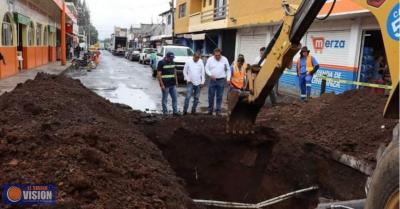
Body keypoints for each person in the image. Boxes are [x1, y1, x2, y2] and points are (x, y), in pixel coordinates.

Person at [205, 48, 230, 116]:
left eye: (218, 55)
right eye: (216, 55)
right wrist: (210, 75)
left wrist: (228, 78)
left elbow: (228, 69)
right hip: (212, 80)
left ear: (220, 54)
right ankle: (210, 110)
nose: (217, 57)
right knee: (211, 96)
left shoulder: (225, 59)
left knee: (219, 96)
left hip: (221, 80)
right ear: (214, 54)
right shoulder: (210, 59)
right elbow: (206, 68)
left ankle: (218, 111)